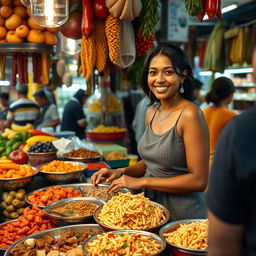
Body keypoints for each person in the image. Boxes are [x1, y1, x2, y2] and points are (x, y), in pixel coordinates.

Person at [92, 44, 210, 221]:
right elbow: (150, 163)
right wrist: (121, 172)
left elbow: (199, 181)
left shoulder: (190, 115)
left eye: (168, 72)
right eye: (153, 72)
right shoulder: (151, 112)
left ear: (183, 76)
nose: (159, 79)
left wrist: (142, 182)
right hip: (151, 211)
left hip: (184, 218)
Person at [207, 47, 256, 256]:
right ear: (229, 96)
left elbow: (222, 245)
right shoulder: (232, 117)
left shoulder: (204, 110)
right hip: (221, 164)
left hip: (214, 167)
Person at [203, 77, 237, 167]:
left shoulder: (203, 112)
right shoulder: (231, 115)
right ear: (230, 95)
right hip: (219, 162)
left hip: (201, 161)